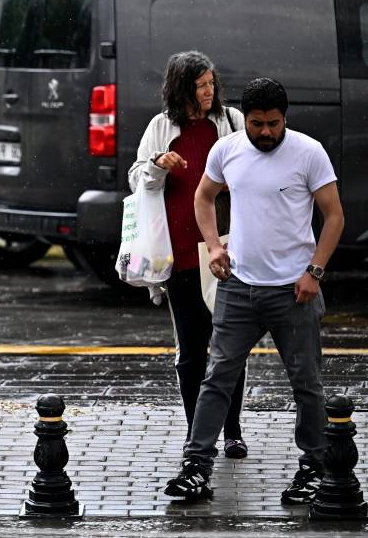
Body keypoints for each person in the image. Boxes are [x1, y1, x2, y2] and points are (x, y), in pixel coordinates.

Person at [164, 77, 344, 504]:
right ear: (245, 119)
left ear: (286, 119)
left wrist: (313, 272)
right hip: (238, 287)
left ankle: (315, 468)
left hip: (294, 291)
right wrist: (212, 246)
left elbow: (334, 217)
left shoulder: (308, 152)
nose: (266, 132)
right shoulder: (226, 150)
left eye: (274, 124)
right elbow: (204, 197)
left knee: (307, 384)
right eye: (258, 124)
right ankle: (196, 467)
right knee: (217, 379)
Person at [129, 51, 248, 459]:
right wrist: (159, 164)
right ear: (181, 88)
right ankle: (198, 432)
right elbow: (137, 179)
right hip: (179, 252)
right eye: (201, 85)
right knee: (192, 350)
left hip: (227, 246)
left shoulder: (230, 122)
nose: (209, 91)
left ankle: (231, 430)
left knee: (230, 345)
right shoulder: (161, 127)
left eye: (212, 83)